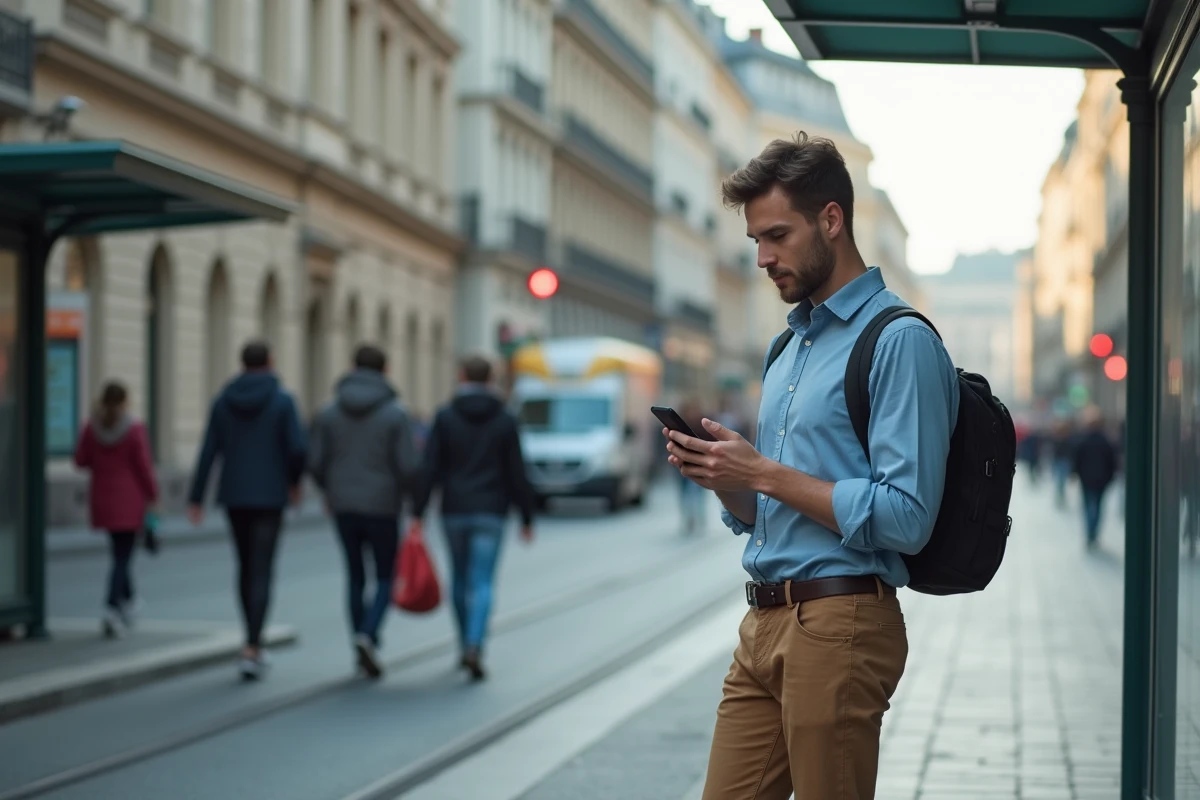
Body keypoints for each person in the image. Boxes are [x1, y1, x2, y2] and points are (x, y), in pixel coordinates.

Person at [664, 133, 959, 800]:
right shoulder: (787, 347)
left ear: (831, 219)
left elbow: (907, 518)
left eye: (777, 236)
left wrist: (764, 473)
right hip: (763, 623)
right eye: (755, 243)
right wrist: (728, 479)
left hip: (842, 623)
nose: (763, 258)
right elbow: (774, 510)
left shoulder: (900, 340)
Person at [187, 340, 307, 681]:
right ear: (271, 362)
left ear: (241, 364)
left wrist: (196, 498)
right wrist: (294, 482)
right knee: (263, 568)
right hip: (270, 495)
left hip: (235, 495)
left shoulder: (223, 401)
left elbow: (209, 450)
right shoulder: (283, 401)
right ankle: (254, 644)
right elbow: (297, 448)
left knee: (244, 566)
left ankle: (248, 641)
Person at [411, 355, 536, 681]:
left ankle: (463, 641)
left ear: (461, 376)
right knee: (482, 581)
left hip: (454, 509)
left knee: (459, 580)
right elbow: (516, 470)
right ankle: (475, 644)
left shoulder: (445, 416)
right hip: (492, 510)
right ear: (492, 379)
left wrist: (417, 512)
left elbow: (430, 467)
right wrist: (526, 516)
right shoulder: (505, 419)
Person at [308, 344, 419, 679]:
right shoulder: (395, 413)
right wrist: (413, 501)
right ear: (386, 369)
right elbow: (408, 466)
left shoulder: (329, 412)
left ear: (351, 366)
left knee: (355, 574)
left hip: (343, 504)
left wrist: (329, 489)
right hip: (383, 505)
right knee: (385, 575)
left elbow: (315, 462)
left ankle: (359, 640)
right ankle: (367, 634)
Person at [74, 382, 158, 638]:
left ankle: (129, 602)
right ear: (125, 401)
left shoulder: (92, 427)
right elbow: (143, 466)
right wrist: (153, 495)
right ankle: (112, 607)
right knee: (122, 556)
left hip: (102, 498)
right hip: (129, 499)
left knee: (119, 553)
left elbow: (80, 460)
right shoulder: (134, 429)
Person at [1071, 405, 1119, 549]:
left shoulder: (1083, 440)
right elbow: (1112, 462)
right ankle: (1093, 533)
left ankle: (1090, 532)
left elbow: (1077, 460)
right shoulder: (1106, 441)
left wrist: (1076, 473)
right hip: (1101, 480)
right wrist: (1110, 477)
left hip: (1086, 479)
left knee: (1087, 506)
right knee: (1097, 506)